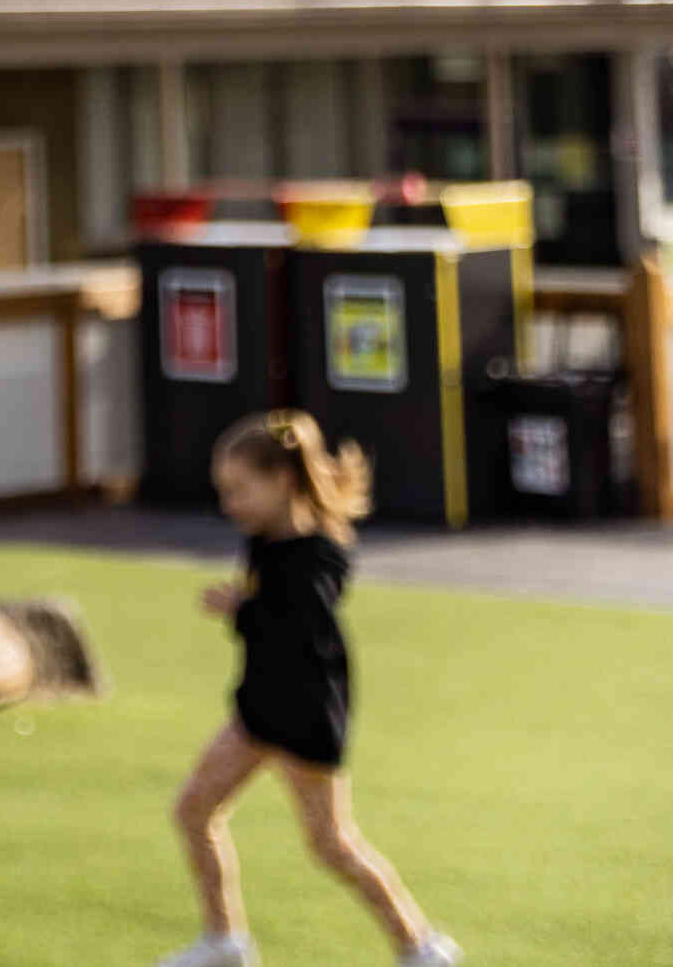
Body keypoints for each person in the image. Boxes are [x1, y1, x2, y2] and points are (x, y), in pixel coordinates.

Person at [156, 408, 460, 967]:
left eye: (239, 490)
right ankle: (225, 942)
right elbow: (268, 620)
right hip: (258, 709)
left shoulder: (320, 554)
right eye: (224, 491)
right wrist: (244, 609)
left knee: (332, 845)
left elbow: (302, 625)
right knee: (194, 809)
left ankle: (420, 946)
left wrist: (242, 609)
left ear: (283, 481)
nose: (229, 505)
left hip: (306, 716)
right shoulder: (263, 539)